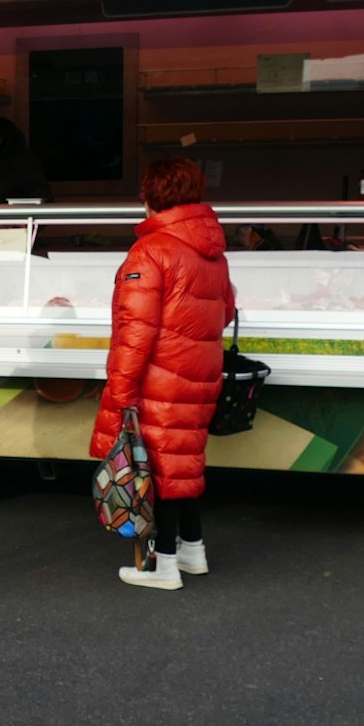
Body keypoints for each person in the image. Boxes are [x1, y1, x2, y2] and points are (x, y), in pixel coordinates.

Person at [89, 157, 236, 590]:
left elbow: (135, 335)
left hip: (158, 378)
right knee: (184, 465)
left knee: (161, 470)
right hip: (200, 373)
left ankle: (163, 565)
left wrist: (120, 394)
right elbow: (225, 311)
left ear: (149, 197)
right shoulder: (212, 251)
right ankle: (194, 552)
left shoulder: (151, 251)